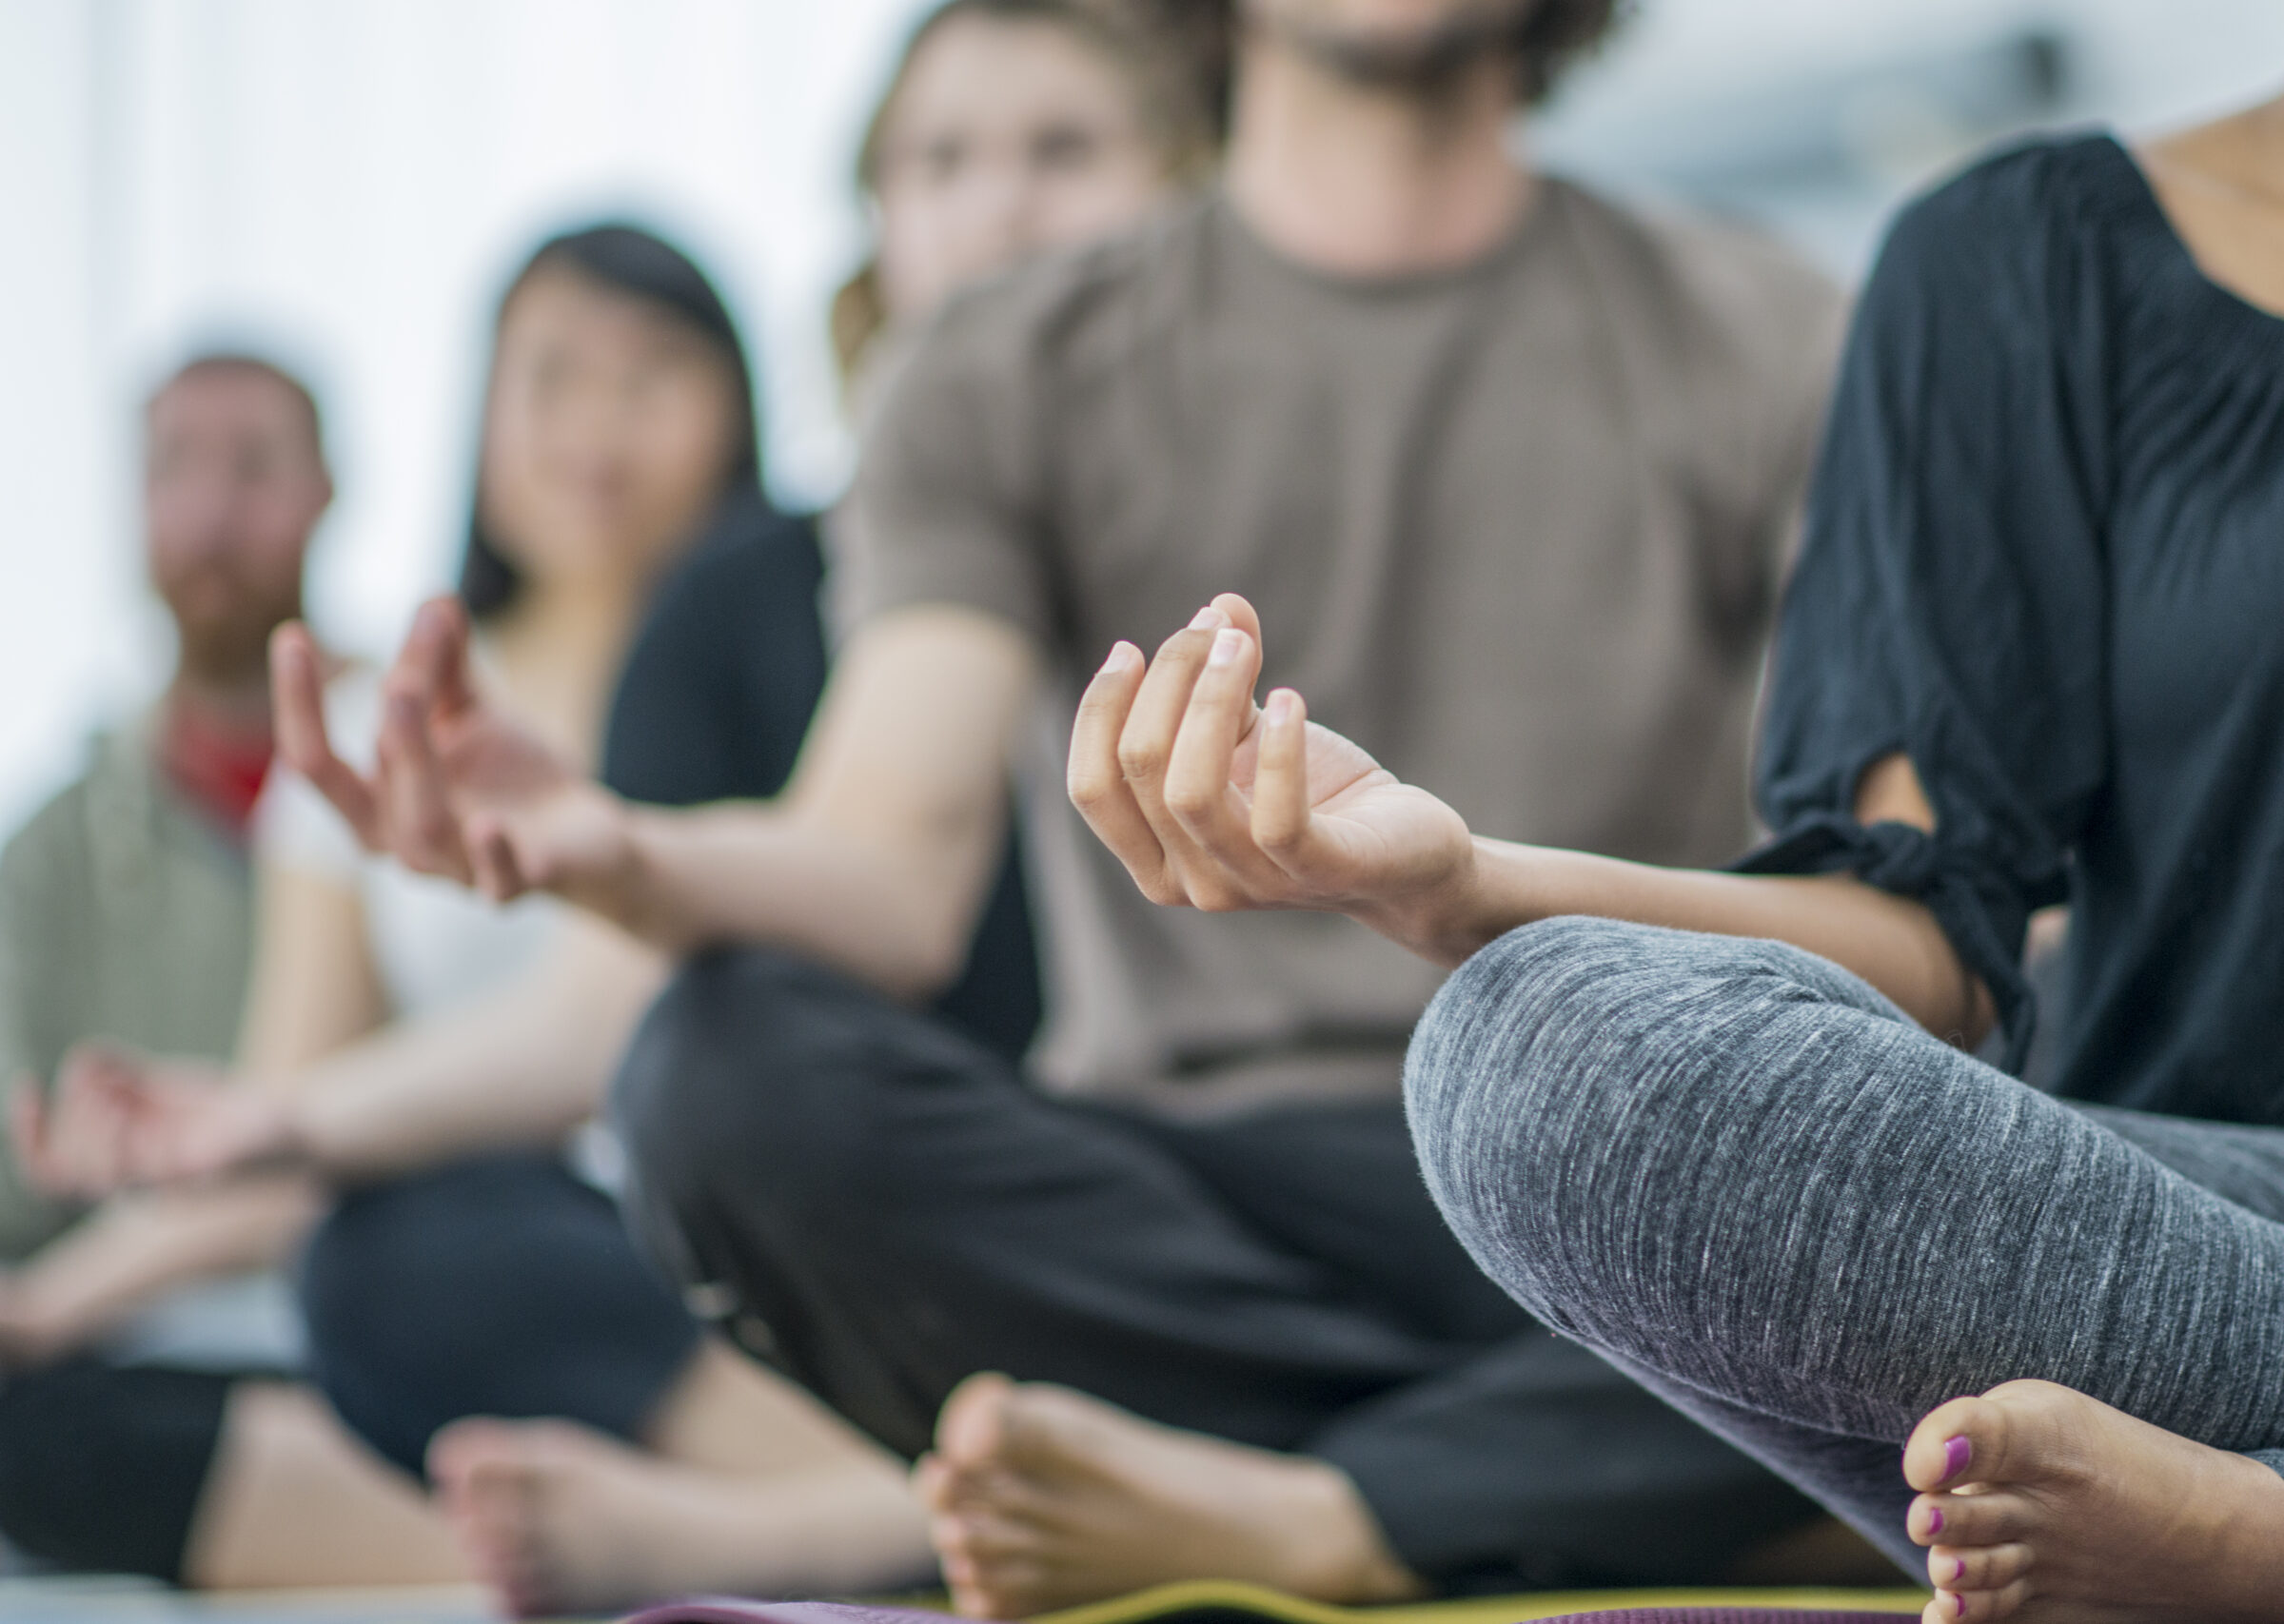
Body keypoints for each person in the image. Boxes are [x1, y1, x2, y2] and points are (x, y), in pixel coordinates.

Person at [278, 0, 1872, 1614]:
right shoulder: (1001, 363)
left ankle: (1311, 1509)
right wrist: (618, 852)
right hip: (1190, 1217)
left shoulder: (1775, 336)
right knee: (725, 1071)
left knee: (2008, 1146)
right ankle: (1662, 1483)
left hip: (1623, 1175)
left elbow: (1905, 911)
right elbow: (887, 868)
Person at [1070, 0, 2284, 1619]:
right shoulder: (2021, 262)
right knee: (1542, 1050)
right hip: (2203, 1243)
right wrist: (1453, 883)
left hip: (2194, 1402)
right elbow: (1926, 938)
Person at [28, 6, 1214, 1613]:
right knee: (471, 1213)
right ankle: (922, 1517)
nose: (999, 206)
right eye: (941, 160)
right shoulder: (743, 606)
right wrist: (258, 1137)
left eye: (1061, 151)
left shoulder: (1225, 508)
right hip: (752, 1235)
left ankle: (881, 1524)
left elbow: (877, 901)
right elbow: (715, 968)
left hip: (1098, 1202)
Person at [0, 354, 466, 1589]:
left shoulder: (432, 778)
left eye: (253, 465)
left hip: (405, 1299)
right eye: (174, 469)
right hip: (146, 1341)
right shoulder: (51, 862)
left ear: (326, 491)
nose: (211, 511)